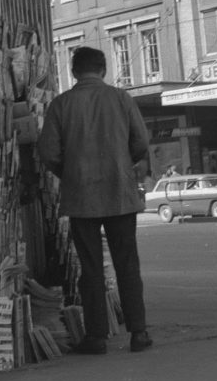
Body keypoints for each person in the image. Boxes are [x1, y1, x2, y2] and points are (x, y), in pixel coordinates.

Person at [37, 45, 152, 354]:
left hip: (82, 198)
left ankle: (97, 336)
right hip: (120, 195)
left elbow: (48, 152)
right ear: (103, 69)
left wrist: (70, 172)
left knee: (90, 269)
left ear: (74, 72)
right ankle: (138, 333)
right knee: (127, 264)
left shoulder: (61, 105)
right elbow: (141, 141)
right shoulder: (121, 99)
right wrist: (124, 164)